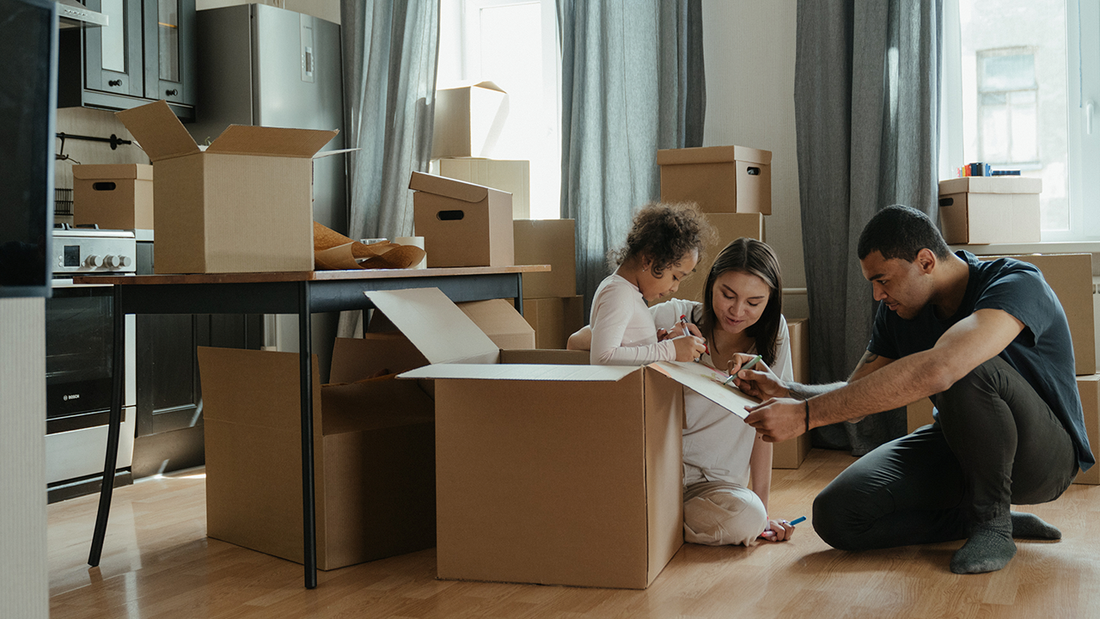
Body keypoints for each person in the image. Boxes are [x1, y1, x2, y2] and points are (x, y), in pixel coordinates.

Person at [731, 204, 1092, 573]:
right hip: (959, 446)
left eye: (883, 280)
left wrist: (806, 417)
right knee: (837, 514)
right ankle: (972, 519)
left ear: (925, 261)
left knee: (964, 364)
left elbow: (944, 367)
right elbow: (858, 396)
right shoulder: (898, 312)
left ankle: (993, 524)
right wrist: (788, 392)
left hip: (1044, 459)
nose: (876, 295)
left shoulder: (1016, 282)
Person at [571, 237, 800, 545]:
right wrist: (660, 344)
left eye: (754, 303)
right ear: (711, 285)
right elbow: (578, 342)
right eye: (727, 295)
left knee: (749, 518)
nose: (736, 310)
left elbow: (765, 426)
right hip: (656, 473)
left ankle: (649, 521)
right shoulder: (674, 315)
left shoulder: (775, 337)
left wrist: (764, 510)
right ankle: (652, 518)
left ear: (770, 301)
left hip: (715, 488)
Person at [587, 201, 711, 365]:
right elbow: (603, 357)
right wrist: (670, 349)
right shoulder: (618, 293)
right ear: (649, 259)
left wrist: (655, 345)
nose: (675, 288)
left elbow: (627, 351)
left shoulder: (627, 292)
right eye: (675, 277)